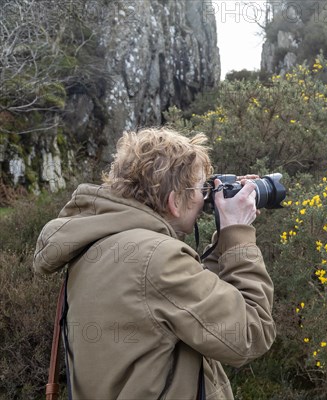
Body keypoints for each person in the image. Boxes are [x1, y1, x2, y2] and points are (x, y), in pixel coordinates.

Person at [33, 127, 275, 399]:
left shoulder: (96, 244)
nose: (203, 200)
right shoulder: (157, 258)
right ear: (174, 202)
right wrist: (239, 234)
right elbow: (251, 332)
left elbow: (177, 303)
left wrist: (225, 240)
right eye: (199, 189)